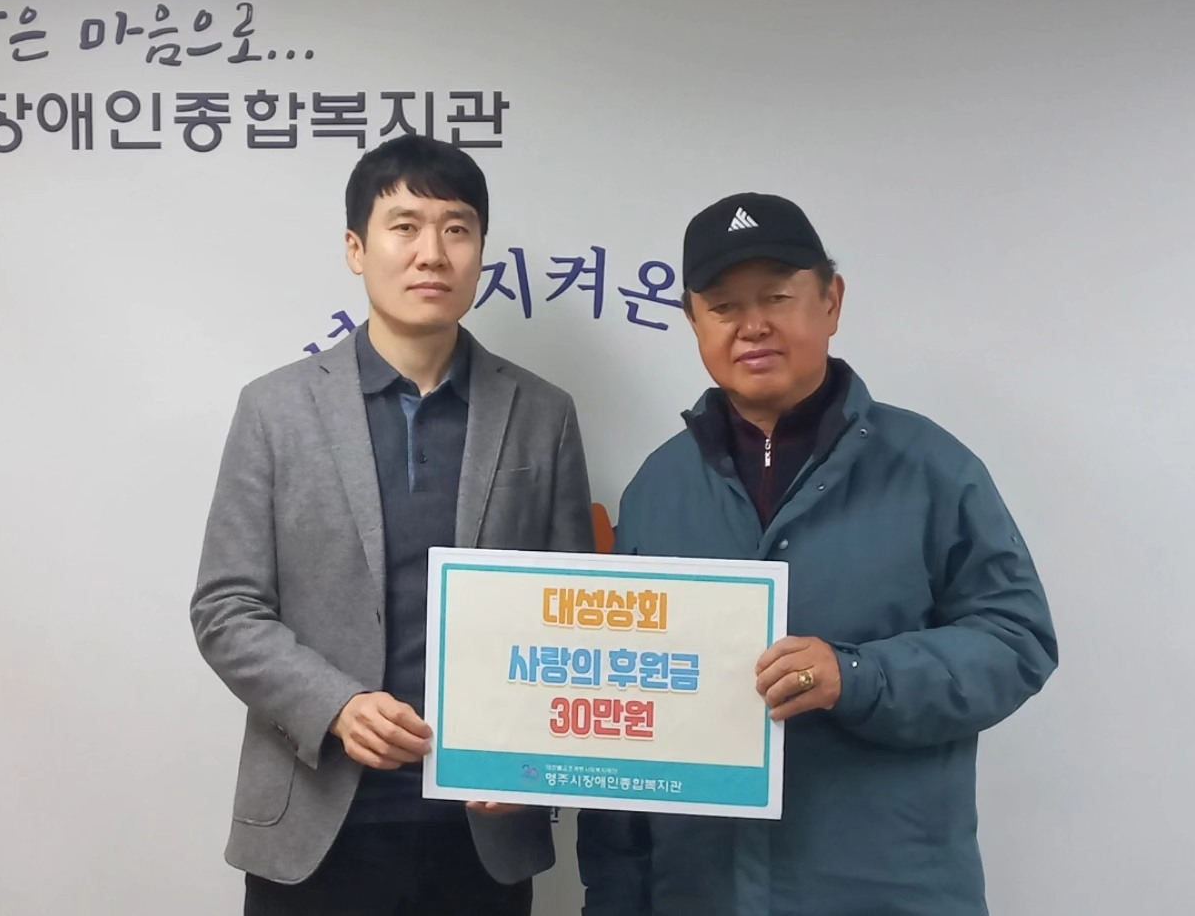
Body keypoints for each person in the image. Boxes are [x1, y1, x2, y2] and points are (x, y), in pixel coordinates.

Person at [577, 192, 1057, 916]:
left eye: (777, 296)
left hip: (887, 890)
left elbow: (1017, 641)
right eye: (723, 306)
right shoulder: (658, 486)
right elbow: (621, 698)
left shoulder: (929, 466)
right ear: (693, 322)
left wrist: (856, 675)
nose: (752, 326)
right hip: (699, 890)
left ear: (830, 302)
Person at [192, 134, 595, 916]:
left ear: (479, 251)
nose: (430, 253)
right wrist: (336, 705)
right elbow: (226, 607)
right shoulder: (275, 409)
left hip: (481, 831)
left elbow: (573, 610)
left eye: (456, 228)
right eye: (403, 226)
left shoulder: (541, 413)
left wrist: (533, 757)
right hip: (316, 824)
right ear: (356, 247)